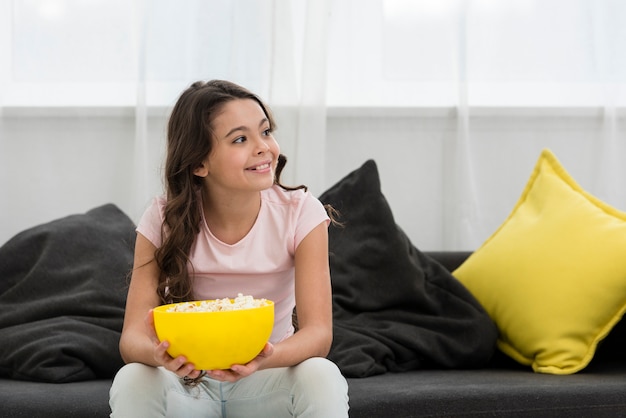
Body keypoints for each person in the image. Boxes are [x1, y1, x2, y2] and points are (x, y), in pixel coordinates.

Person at [109, 80, 349, 417]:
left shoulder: (301, 212)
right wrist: (159, 357)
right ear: (199, 164)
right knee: (132, 377)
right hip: (190, 386)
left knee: (321, 374)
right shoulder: (163, 218)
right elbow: (131, 338)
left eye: (265, 132)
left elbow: (318, 333)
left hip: (266, 379)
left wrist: (263, 359)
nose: (263, 147)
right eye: (240, 139)